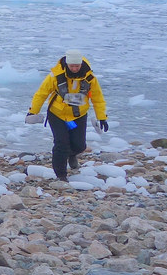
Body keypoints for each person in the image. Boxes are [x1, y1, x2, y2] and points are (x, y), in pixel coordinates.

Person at [27, 50, 108, 181]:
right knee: (61, 144)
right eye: (72, 66)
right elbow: (41, 93)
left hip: (78, 116)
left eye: (77, 66)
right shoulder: (55, 76)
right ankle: (61, 175)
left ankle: (71, 155)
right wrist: (33, 112)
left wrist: (102, 117)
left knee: (80, 145)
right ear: (67, 64)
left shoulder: (90, 78)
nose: (75, 68)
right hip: (57, 114)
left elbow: (98, 99)